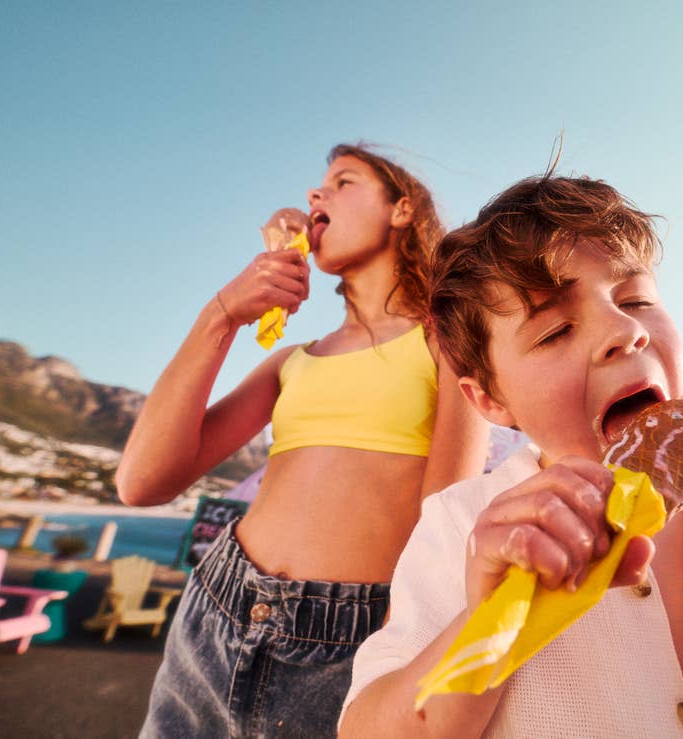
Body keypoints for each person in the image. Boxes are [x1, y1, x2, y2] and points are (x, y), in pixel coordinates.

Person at [338, 174, 683, 737]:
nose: (624, 331)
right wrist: (488, 619)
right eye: (555, 331)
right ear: (489, 398)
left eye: (637, 299)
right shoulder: (463, 526)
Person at [117, 144, 490, 738]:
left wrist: (398, 651)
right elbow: (141, 481)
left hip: (354, 643)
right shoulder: (294, 361)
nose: (315, 195)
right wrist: (223, 314)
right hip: (217, 610)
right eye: (316, 186)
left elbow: (447, 521)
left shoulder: (444, 343)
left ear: (402, 209)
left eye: (342, 182)